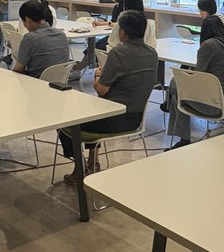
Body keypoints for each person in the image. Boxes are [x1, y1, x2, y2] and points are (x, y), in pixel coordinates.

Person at [58, 10, 158, 184]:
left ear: (122, 32)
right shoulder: (152, 53)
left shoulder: (119, 53)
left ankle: (80, 167)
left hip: (112, 119)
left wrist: (97, 76)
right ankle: (93, 162)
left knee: (64, 118)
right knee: (91, 111)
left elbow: (101, 89)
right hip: (136, 118)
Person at [165, 15, 224, 150]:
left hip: (217, 104)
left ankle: (183, 138)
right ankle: (168, 105)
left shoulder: (209, 45)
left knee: (176, 85)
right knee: (177, 87)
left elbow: (198, 74)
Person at [12, 0, 69, 78]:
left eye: (23, 22)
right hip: (59, 81)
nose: (24, 25)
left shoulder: (30, 38)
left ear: (28, 20)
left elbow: (18, 69)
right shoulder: (61, 35)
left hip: (36, 81)